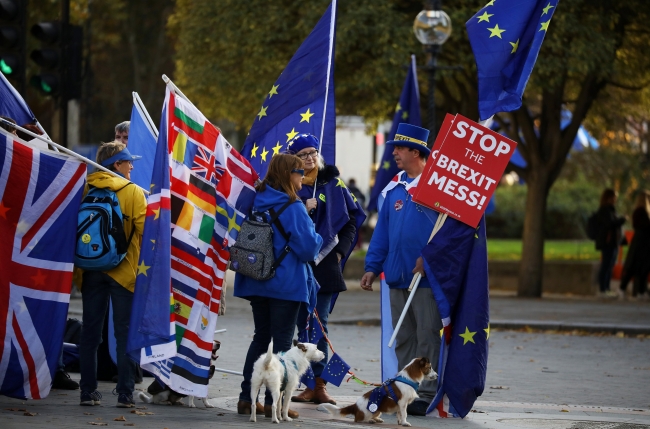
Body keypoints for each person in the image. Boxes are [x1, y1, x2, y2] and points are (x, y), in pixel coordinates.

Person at [359, 123, 441, 416]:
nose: (394, 152)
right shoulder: (393, 189)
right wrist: (372, 267)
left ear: (416, 152)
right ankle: (408, 389)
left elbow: (448, 234)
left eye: (400, 148)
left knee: (427, 333)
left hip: (426, 279)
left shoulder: (437, 187)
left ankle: (428, 391)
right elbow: (382, 234)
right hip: (396, 277)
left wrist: (428, 259)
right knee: (404, 336)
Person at [234, 153, 323, 418]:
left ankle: (246, 399)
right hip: (285, 284)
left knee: (261, 339)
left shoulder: (256, 200)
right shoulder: (293, 206)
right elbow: (308, 248)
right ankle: (277, 405)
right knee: (283, 346)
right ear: (288, 174)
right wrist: (316, 233)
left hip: (257, 281)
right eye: (299, 172)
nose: (303, 177)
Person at [285, 134, 365, 405]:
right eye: (304, 153)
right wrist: (302, 208)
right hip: (296, 266)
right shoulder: (288, 185)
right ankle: (301, 383)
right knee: (300, 327)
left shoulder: (332, 183)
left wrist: (340, 250)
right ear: (294, 157)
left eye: (313, 152)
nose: (310, 157)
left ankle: (319, 386)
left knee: (320, 327)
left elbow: (351, 220)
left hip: (326, 266)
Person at [77, 141, 146, 407]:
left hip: (90, 270)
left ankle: (87, 391)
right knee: (124, 333)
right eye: (128, 162)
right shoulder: (133, 192)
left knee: (90, 334)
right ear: (117, 164)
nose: (131, 166)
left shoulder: (84, 187)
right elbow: (144, 231)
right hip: (124, 271)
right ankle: (125, 393)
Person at [595, 188, 627, 297]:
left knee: (610, 265)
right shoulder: (605, 210)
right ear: (609, 198)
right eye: (614, 197)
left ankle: (607, 288)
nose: (615, 199)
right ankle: (602, 289)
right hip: (608, 242)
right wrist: (622, 220)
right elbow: (610, 224)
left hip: (614, 242)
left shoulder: (611, 210)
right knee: (606, 265)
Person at [619, 191, 650, 299]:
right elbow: (644, 226)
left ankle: (641, 291)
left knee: (642, 268)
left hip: (641, 243)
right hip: (641, 244)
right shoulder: (641, 212)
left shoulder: (640, 212)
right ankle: (624, 289)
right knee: (635, 267)